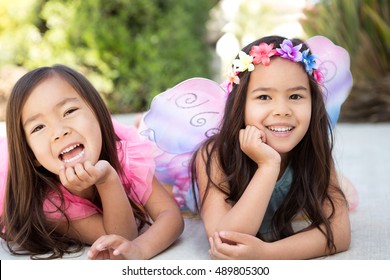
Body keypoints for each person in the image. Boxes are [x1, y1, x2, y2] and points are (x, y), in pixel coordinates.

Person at [190, 35, 352, 259]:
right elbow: (225, 240)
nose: (282, 110)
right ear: (240, 105)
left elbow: (339, 233)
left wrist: (268, 253)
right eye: (264, 97)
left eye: (295, 96)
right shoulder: (215, 154)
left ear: (313, 103)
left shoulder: (313, 151)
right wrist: (268, 166)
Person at [0, 64, 184, 259]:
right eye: (38, 127)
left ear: (97, 112)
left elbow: (170, 216)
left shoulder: (127, 155)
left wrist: (141, 249)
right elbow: (119, 238)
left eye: (69, 111)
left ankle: (142, 125)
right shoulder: (46, 202)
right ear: (32, 155)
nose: (59, 131)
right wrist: (107, 181)